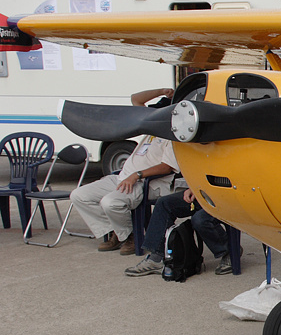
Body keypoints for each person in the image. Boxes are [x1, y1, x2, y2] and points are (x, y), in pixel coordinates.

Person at [70, 88, 179, 254]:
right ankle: (117, 232)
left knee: (110, 202)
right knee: (79, 195)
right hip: (123, 177)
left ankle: (130, 236)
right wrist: (162, 91)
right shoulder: (151, 130)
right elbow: (136, 99)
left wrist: (137, 175)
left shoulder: (172, 136)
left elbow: (167, 166)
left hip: (145, 182)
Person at [124, 188, 234, 276]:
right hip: (202, 192)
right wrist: (193, 187)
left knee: (199, 220)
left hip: (227, 196)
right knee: (164, 203)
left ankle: (229, 251)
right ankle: (156, 258)